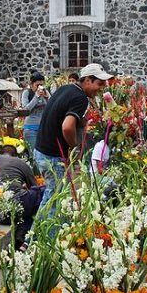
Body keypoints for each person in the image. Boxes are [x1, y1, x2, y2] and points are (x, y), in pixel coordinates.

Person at [32, 63, 112, 227]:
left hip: (42, 150)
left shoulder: (66, 89)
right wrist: (73, 147)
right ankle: (38, 242)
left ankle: (33, 240)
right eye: (99, 83)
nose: (101, 88)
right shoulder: (80, 98)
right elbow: (67, 127)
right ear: (87, 80)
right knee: (54, 202)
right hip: (54, 155)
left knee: (51, 197)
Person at [0, 145, 43, 249]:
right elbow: (34, 187)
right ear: (16, 155)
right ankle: (26, 235)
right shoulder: (19, 162)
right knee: (43, 192)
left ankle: (22, 232)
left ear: (0, 153)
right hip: (14, 208)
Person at [21, 72, 50, 154]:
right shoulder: (27, 93)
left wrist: (47, 97)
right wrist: (36, 96)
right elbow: (26, 110)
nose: (39, 87)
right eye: (37, 85)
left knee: (44, 154)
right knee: (33, 153)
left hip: (44, 128)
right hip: (31, 128)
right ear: (31, 84)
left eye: (41, 84)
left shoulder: (45, 92)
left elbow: (52, 107)